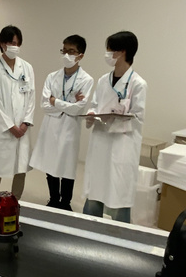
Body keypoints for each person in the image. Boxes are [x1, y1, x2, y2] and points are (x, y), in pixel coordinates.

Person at [82, 31, 147, 223]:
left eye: (110, 50)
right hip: (100, 141)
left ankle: (118, 233)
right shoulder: (103, 80)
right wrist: (92, 114)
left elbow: (138, 118)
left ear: (122, 52)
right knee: (96, 189)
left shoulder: (138, 84)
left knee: (118, 192)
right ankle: (89, 230)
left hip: (122, 145)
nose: (108, 54)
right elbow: (95, 105)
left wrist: (116, 117)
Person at [29, 35, 95, 210]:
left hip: (70, 128)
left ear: (80, 55)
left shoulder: (86, 80)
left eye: (71, 51)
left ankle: (65, 202)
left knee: (67, 165)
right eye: (64, 50)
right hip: (51, 126)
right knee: (50, 162)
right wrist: (68, 105)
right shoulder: (52, 77)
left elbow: (78, 109)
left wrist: (55, 101)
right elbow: (44, 105)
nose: (66, 55)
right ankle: (53, 199)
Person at [0, 25, 35, 199]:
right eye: (9, 43)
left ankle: (15, 201)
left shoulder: (27, 68)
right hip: (5, 129)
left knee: (21, 167)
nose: (13, 46)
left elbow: (31, 96)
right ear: (1, 44)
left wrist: (25, 122)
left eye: (16, 43)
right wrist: (11, 126)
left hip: (23, 128)